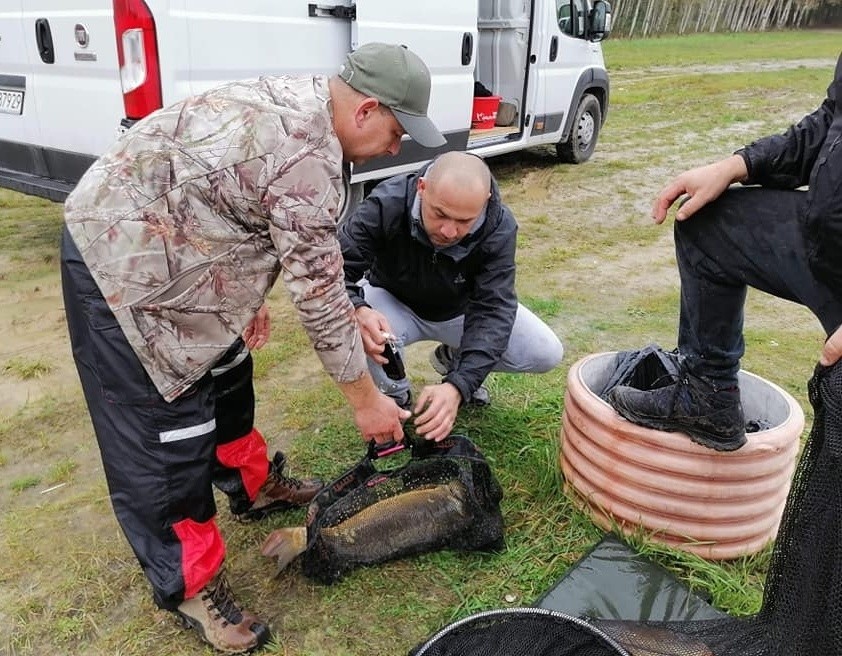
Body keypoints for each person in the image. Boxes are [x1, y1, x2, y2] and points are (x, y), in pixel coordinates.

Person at [60, 42, 445, 653]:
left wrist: (243, 283)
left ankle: (253, 484)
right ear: (367, 109)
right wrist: (366, 402)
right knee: (169, 431)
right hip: (120, 259)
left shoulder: (311, 99)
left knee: (231, 372)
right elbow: (318, 299)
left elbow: (232, 190)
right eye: (398, 132)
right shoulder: (309, 159)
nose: (398, 149)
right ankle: (189, 582)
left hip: (185, 241)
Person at [608, 52, 842, 452]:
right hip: (826, 243)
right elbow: (829, 125)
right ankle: (708, 397)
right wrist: (738, 164)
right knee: (706, 226)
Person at [339, 151, 564, 442]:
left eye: (464, 221)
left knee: (546, 352)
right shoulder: (387, 202)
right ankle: (395, 396)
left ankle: (454, 359)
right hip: (392, 302)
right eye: (440, 214)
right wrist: (358, 308)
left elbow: (494, 309)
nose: (448, 231)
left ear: (483, 204)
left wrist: (459, 385)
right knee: (356, 329)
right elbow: (334, 269)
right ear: (422, 187)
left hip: (460, 312)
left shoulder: (500, 227)